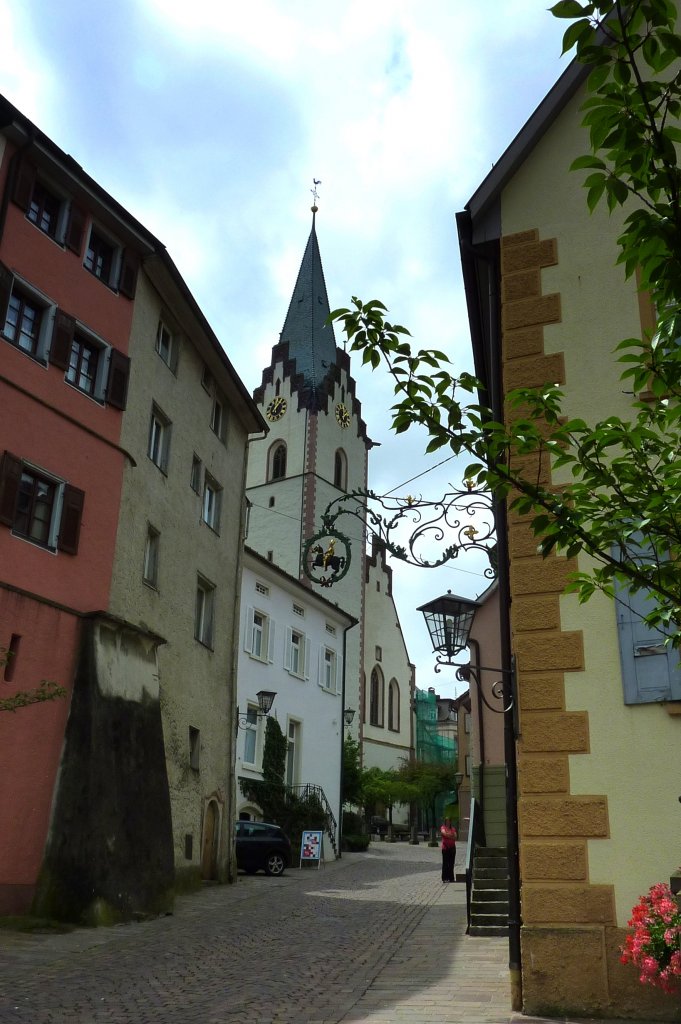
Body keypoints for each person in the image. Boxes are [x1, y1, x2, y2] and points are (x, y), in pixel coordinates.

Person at [440, 817, 457, 882]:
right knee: (445, 863)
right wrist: (451, 835)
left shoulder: (453, 828)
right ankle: (444, 878)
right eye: (446, 821)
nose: (448, 822)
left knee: (451, 863)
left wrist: (448, 835)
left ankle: (451, 878)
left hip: (452, 848)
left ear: (450, 822)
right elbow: (444, 833)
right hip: (445, 848)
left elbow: (455, 837)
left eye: (449, 821)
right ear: (445, 822)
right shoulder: (443, 827)